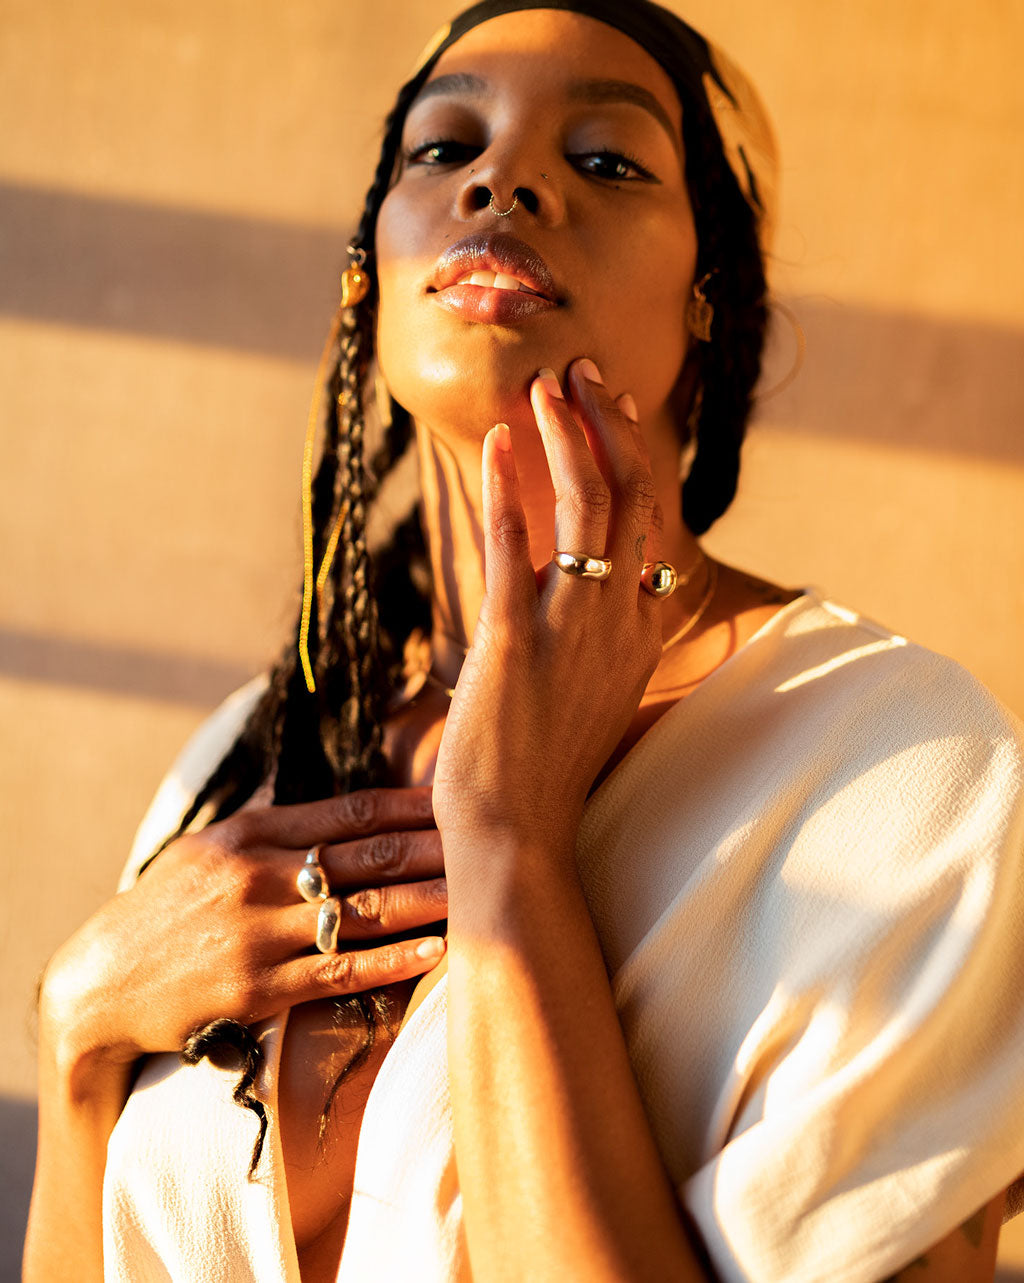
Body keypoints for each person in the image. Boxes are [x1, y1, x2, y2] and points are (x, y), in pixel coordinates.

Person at [23, 2, 1024, 1280]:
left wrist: (510, 836)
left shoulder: (905, 776)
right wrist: (77, 1039)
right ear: (364, 271)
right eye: (443, 149)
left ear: (710, 296)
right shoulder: (252, 753)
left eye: (607, 158)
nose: (504, 178)